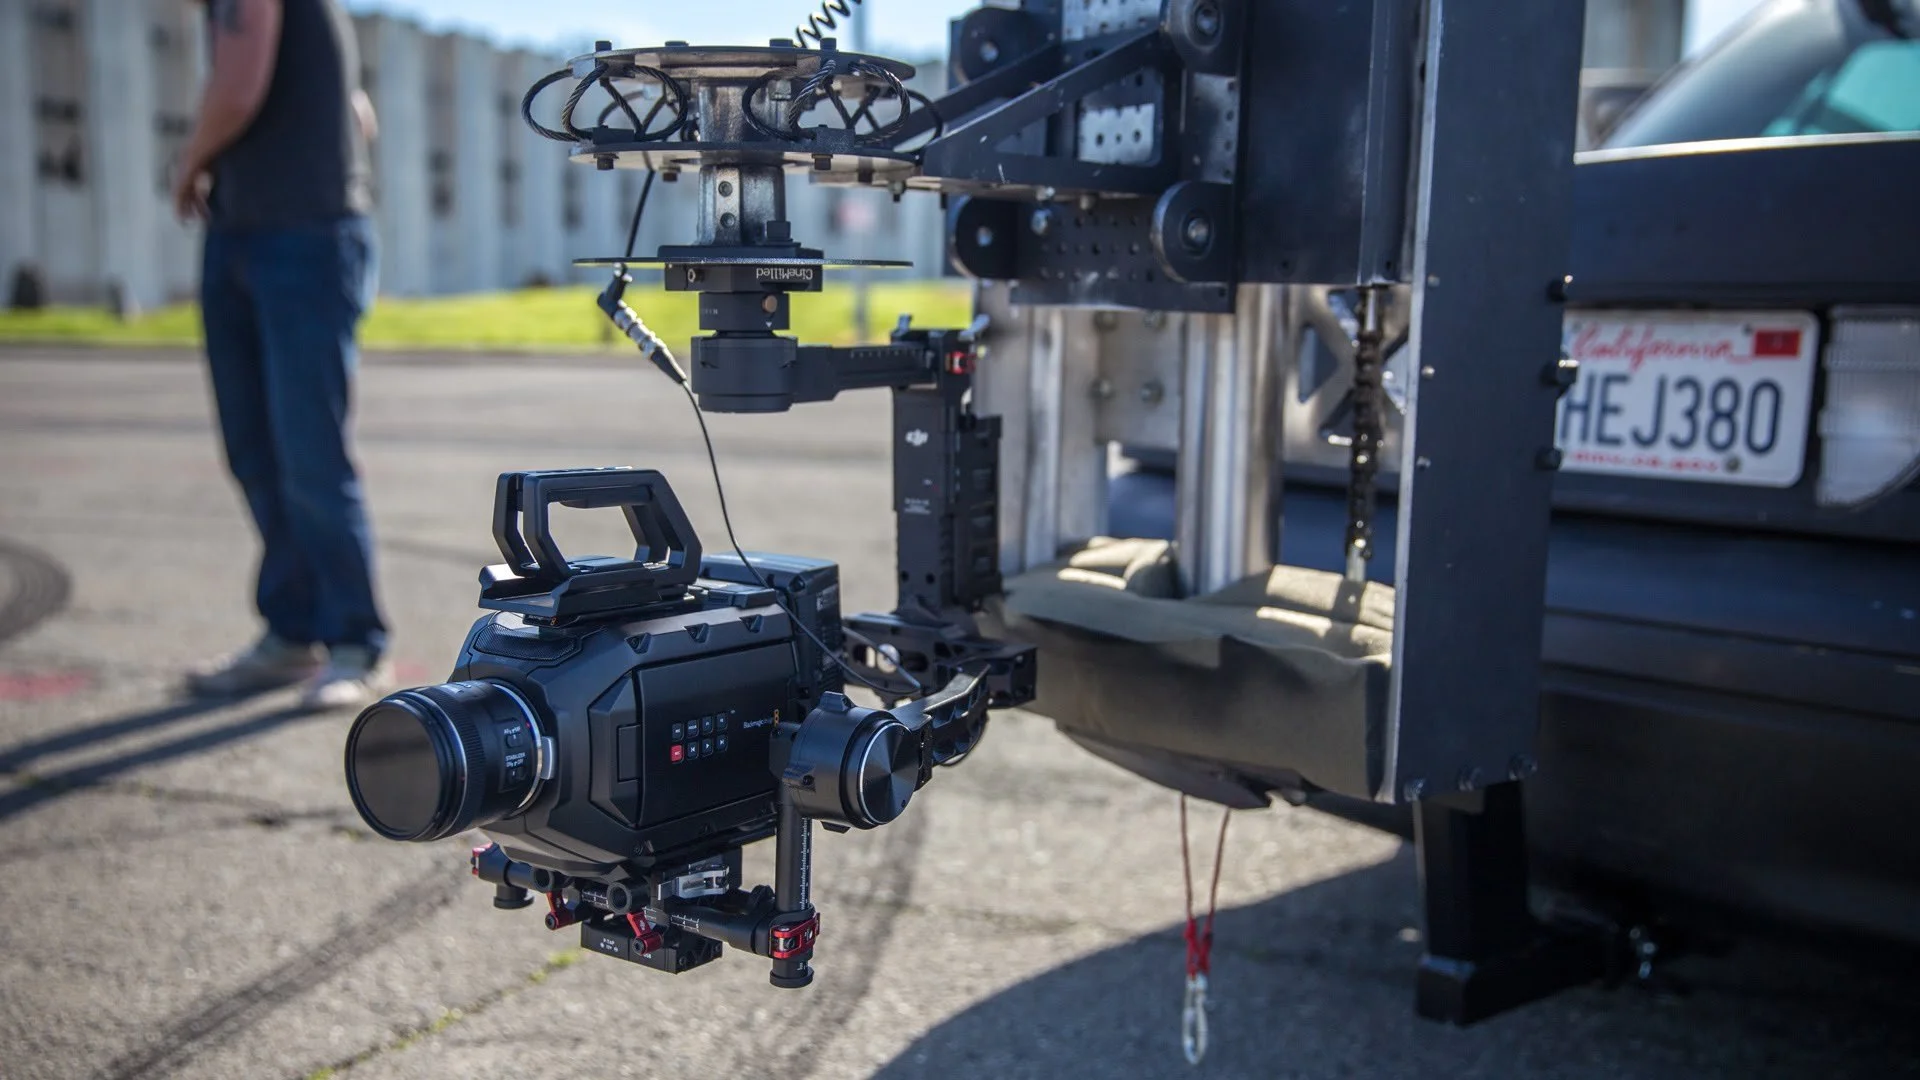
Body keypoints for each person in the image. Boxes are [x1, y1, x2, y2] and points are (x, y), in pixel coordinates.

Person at [172, 0, 390, 710]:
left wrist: (190, 162)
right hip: (259, 227)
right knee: (258, 448)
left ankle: (356, 639)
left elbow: (237, 86)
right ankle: (294, 631)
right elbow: (360, 113)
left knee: (307, 454)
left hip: (298, 236)